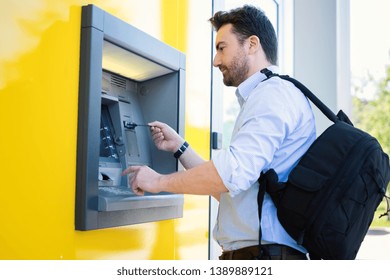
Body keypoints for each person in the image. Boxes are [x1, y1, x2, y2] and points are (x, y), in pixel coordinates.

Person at [122, 5, 316, 260]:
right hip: (260, 254)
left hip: (264, 257)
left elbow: (228, 176)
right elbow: (229, 191)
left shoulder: (272, 94)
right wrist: (180, 148)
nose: (215, 60)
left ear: (252, 44)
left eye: (221, 48)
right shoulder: (269, 95)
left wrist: (156, 182)